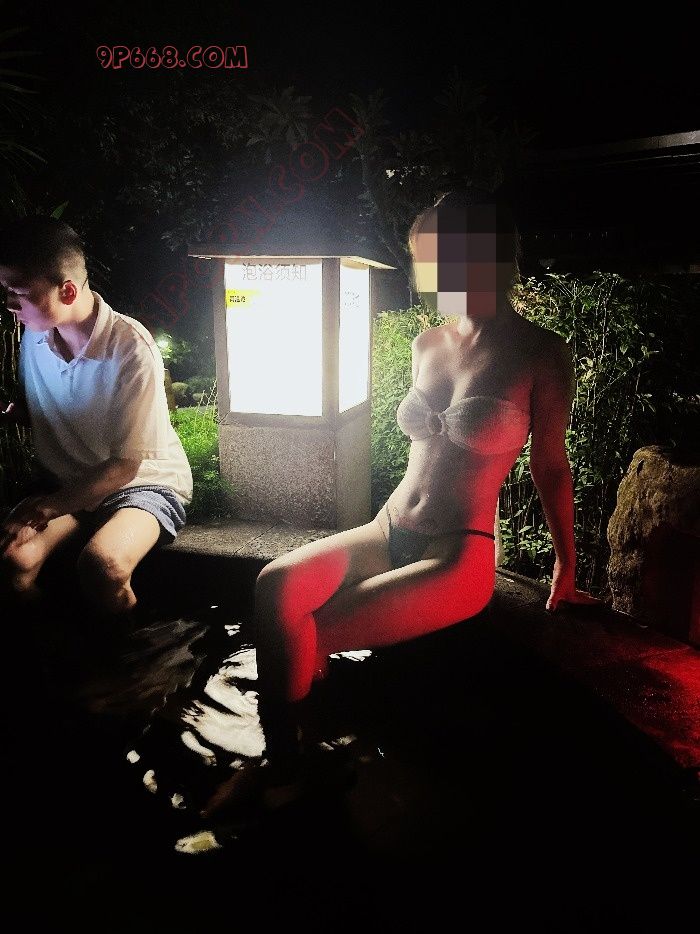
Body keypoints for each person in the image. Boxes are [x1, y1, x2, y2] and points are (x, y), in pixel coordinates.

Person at [201, 186, 601, 818]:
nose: (427, 274)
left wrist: (565, 566)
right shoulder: (429, 344)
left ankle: (285, 770)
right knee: (276, 586)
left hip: (457, 551)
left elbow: (550, 466)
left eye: (439, 258)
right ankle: (293, 757)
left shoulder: (540, 354)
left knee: (313, 630)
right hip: (387, 527)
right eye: (425, 258)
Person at [0, 216, 193, 631]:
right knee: (13, 561)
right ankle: (55, 652)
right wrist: (19, 413)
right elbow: (63, 405)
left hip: (141, 482)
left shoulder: (131, 348)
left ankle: (135, 656)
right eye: (7, 292)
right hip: (71, 482)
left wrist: (48, 506)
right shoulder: (35, 334)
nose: (10, 305)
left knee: (103, 567)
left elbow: (126, 466)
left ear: (67, 290)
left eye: (19, 293)